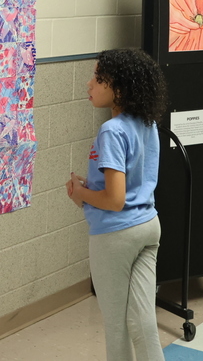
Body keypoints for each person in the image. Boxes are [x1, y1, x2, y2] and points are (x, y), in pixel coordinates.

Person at [66, 48, 169, 361]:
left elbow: (114, 199)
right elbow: (129, 183)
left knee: (116, 325)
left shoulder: (111, 130)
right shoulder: (147, 124)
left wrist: (80, 193)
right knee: (143, 321)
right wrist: (91, 185)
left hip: (116, 235)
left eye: (98, 79)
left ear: (120, 89)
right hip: (148, 228)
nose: (89, 84)